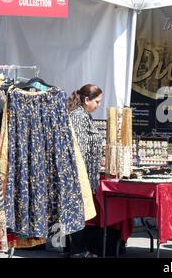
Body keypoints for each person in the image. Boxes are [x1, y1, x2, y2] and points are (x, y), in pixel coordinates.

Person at [66, 83, 103, 257]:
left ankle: (78, 248)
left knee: (80, 210)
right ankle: (78, 250)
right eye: (97, 101)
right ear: (87, 100)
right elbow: (78, 148)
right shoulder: (79, 117)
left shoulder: (84, 115)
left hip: (85, 172)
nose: (99, 105)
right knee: (78, 211)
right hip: (80, 173)